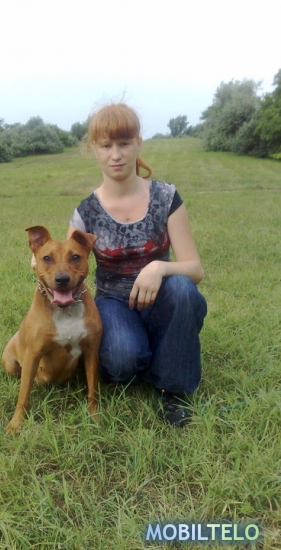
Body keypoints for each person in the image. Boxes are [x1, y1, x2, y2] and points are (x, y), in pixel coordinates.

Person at [68, 103, 207, 427]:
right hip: (113, 301)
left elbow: (195, 269)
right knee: (121, 363)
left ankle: (173, 389)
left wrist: (159, 267)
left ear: (138, 143)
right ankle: (162, 350)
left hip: (162, 297)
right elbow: (69, 266)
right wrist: (39, 259)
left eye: (124, 143)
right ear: (94, 149)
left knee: (182, 288)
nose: (116, 154)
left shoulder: (166, 197)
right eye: (106, 145)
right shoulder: (86, 212)